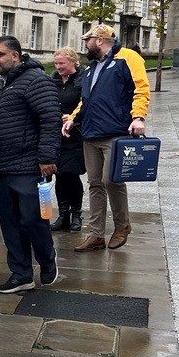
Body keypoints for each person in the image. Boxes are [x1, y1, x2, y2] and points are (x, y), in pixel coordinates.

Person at [63, 24, 151, 252]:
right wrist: (73, 118)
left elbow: (141, 89)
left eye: (88, 40)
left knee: (111, 180)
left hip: (116, 131)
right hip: (90, 132)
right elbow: (86, 100)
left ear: (99, 40)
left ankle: (122, 226)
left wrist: (138, 117)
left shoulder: (128, 58)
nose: (85, 44)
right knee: (95, 183)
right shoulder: (91, 68)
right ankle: (96, 235)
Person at [0, 36, 61, 294]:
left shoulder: (36, 80)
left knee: (34, 220)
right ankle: (21, 275)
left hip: (31, 168)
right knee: (10, 225)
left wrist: (47, 158)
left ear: (15, 56)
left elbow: (50, 119)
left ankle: (47, 259)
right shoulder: (2, 84)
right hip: (4, 167)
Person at [50, 47, 86, 232]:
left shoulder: (83, 79)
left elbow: (88, 104)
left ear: (73, 61)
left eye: (62, 63)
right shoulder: (52, 80)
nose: (58, 67)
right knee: (59, 175)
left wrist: (74, 118)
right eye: (56, 63)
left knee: (71, 174)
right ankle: (63, 214)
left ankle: (76, 214)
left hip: (75, 135)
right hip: (56, 135)